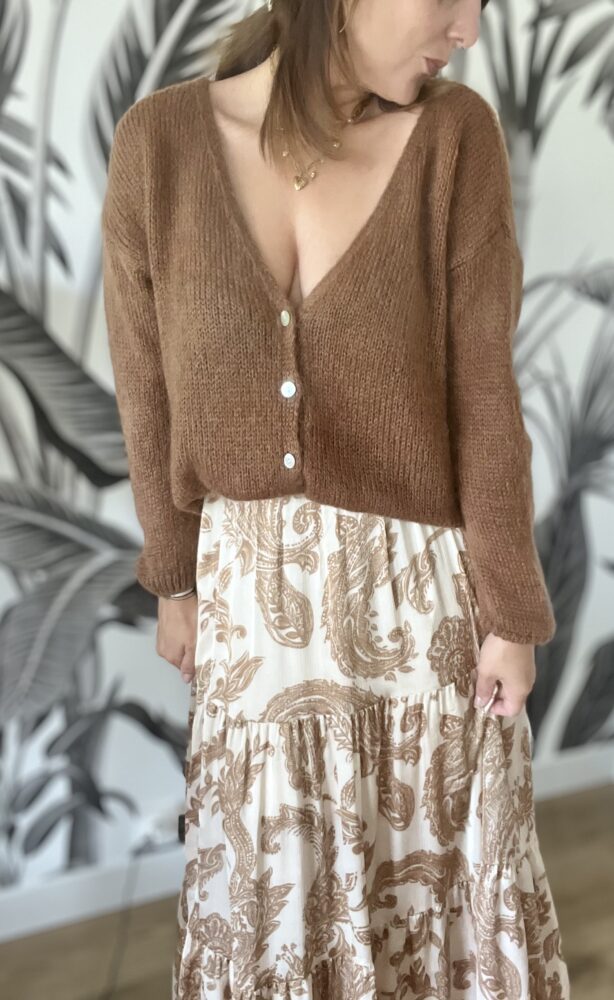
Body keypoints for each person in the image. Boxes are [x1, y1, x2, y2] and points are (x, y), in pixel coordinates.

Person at [101, 0, 571, 996]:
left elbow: (485, 394)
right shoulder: (159, 145)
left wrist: (509, 615)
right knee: (268, 917)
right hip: (251, 618)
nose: (468, 31)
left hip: (425, 616)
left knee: (437, 928)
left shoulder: (454, 138)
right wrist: (173, 579)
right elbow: (144, 392)